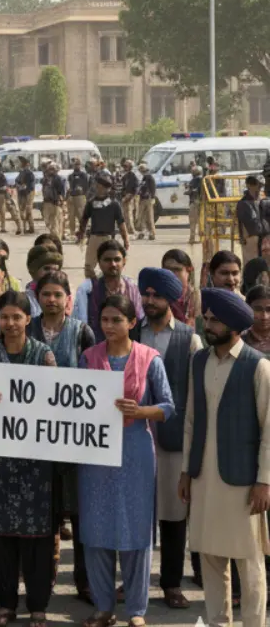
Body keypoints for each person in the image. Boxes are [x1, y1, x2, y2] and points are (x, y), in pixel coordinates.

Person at [77, 294, 174, 627]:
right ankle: (103, 607)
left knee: (135, 531)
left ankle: (136, 610)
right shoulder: (88, 358)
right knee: (96, 529)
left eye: (117, 320)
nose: (109, 326)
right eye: (104, 320)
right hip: (95, 453)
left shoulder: (150, 359)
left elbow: (168, 406)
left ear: (133, 323)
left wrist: (141, 411)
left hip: (135, 451)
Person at [181, 288, 270, 627]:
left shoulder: (257, 367)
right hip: (204, 477)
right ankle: (218, 622)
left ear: (233, 325)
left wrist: (264, 480)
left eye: (215, 320)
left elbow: (269, 432)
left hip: (243, 481)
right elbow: (191, 419)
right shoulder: (199, 360)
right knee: (210, 557)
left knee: (249, 562)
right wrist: (187, 472)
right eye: (206, 317)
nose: (207, 323)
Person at [0, 290, 58, 627]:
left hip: (36, 462)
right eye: (4, 317)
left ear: (27, 319)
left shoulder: (43, 354)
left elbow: (58, 404)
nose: (10, 323)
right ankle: (5, 603)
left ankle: (38, 605)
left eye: (16, 317)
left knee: (37, 537)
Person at [134, 267, 203, 610]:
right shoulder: (131, 332)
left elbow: (197, 393)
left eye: (157, 295)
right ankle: (133, 583)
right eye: (145, 294)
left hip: (174, 440)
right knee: (136, 514)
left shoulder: (189, 338)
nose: (149, 301)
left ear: (171, 299)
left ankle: (172, 583)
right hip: (134, 439)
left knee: (174, 515)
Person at [74, 240, 144, 342]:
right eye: (107, 260)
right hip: (96, 350)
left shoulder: (133, 288)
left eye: (117, 259)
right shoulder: (87, 289)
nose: (113, 264)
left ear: (124, 261)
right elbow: (81, 324)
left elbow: (139, 321)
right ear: (99, 262)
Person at [76, 175, 130, 280]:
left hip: (108, 238)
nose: (98, 187)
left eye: (102, 186)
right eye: (98, 185)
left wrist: (126, 240)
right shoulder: (91, 203)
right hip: (94, 238)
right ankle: (92, 286)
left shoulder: (114, 204)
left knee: (109, 266)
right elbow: (84, 219)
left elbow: (121, 223)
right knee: (89, 267)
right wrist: (81, 233)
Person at [135, 163, 157, 241]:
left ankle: (152, 233)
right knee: (142, 217)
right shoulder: (145, 177)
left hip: (148, 199)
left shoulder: (149, 177)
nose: (140, 171)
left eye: (140, 170)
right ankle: (143, 232)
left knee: (149, 217)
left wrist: (153, 197)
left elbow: (153, 188)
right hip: (143, 199)